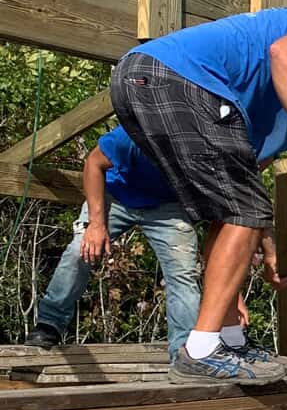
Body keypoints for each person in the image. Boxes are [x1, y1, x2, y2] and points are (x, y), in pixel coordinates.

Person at [109, 7, 287, 384]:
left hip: (145, 81)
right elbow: (285, 53)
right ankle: (201, 350)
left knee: (233, 210)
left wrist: (265, 245)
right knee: (243, 209)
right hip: (178, 81)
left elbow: (239, 201)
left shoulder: (277, 102)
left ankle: (227, 340)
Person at [25, 127, 201, 361]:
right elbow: (93, 163)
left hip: (169, 205)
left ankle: (185, 351)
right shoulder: (134, 131)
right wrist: (96, 225)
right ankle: (49, 324)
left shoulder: (204, 139)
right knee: (80, 250)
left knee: (183, 273)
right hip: (115, 195)